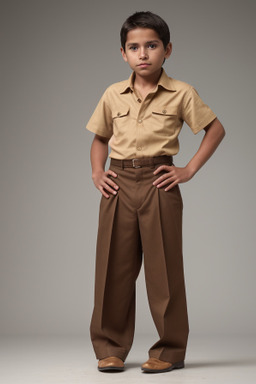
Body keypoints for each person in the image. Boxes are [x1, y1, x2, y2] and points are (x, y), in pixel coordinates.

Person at [86, 11, 225, 374]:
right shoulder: (113, 94)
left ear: (167, 50)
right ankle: (110, 348)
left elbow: (215, 129)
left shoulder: (182, 93)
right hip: (118, 183)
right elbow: (100, 139)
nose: (143, 54)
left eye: (151, 45)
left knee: (164, 270)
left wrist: (188, 169)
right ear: (123, 53)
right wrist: (97, 172)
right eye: (134, 47)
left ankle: (170, 350)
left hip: (158, 182)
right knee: (113, 268)